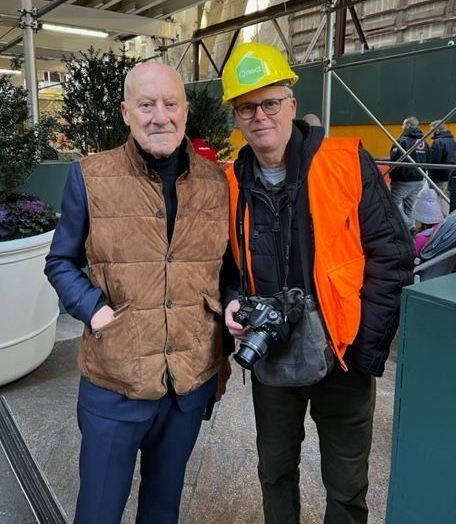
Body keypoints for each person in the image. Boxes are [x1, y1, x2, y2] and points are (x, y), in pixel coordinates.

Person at [220, 42, 414, 524]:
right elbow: (223, 266)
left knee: (347, 489)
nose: (260, 115)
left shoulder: (346, 161)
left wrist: (366, 351)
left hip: (342, 359)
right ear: (237, 118)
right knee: (275, 473)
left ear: (290, 103)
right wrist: (230, 304)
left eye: (270, 102)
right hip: (271, 358)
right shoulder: (229, 184)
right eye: (247, 106)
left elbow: (393, 254)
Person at [45, 62, 231, 524]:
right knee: (99, 511)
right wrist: (93, 309)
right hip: (116, 381)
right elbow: (60, 261)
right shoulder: (90, 176)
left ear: (186, 112)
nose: (159, 116)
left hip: (188, 379)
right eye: (146, 105)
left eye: (170, 104)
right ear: (127, 112)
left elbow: (227, 268)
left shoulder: (216, 183)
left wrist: (232, 303)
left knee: (163, 509)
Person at [389, 116, 431, 232]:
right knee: (409, 206)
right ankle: (409, 228)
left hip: (403, 180)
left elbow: (394, 161)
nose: (402, 127)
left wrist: (394, 176)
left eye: (403, 125)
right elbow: (429, 158)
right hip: (418, 179)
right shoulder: (424, 141)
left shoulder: (402, 140)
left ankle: (409, 226)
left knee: (393, 204)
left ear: (407, 125)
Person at [428, 120, 456, 217]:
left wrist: (430, 174)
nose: (430, 132)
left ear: (437, 130)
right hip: (450, 174)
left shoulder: (438, 142)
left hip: (439, 176)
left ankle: (446, 219)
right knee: (445, 197)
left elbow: (434, 161)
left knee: (438, 199)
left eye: (431, 130)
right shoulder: (452, 140)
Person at [413, 188, 444, 256]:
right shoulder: (440, 229)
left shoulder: (420, 240)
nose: (415, 224)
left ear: (424, 223)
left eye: (416, 221)